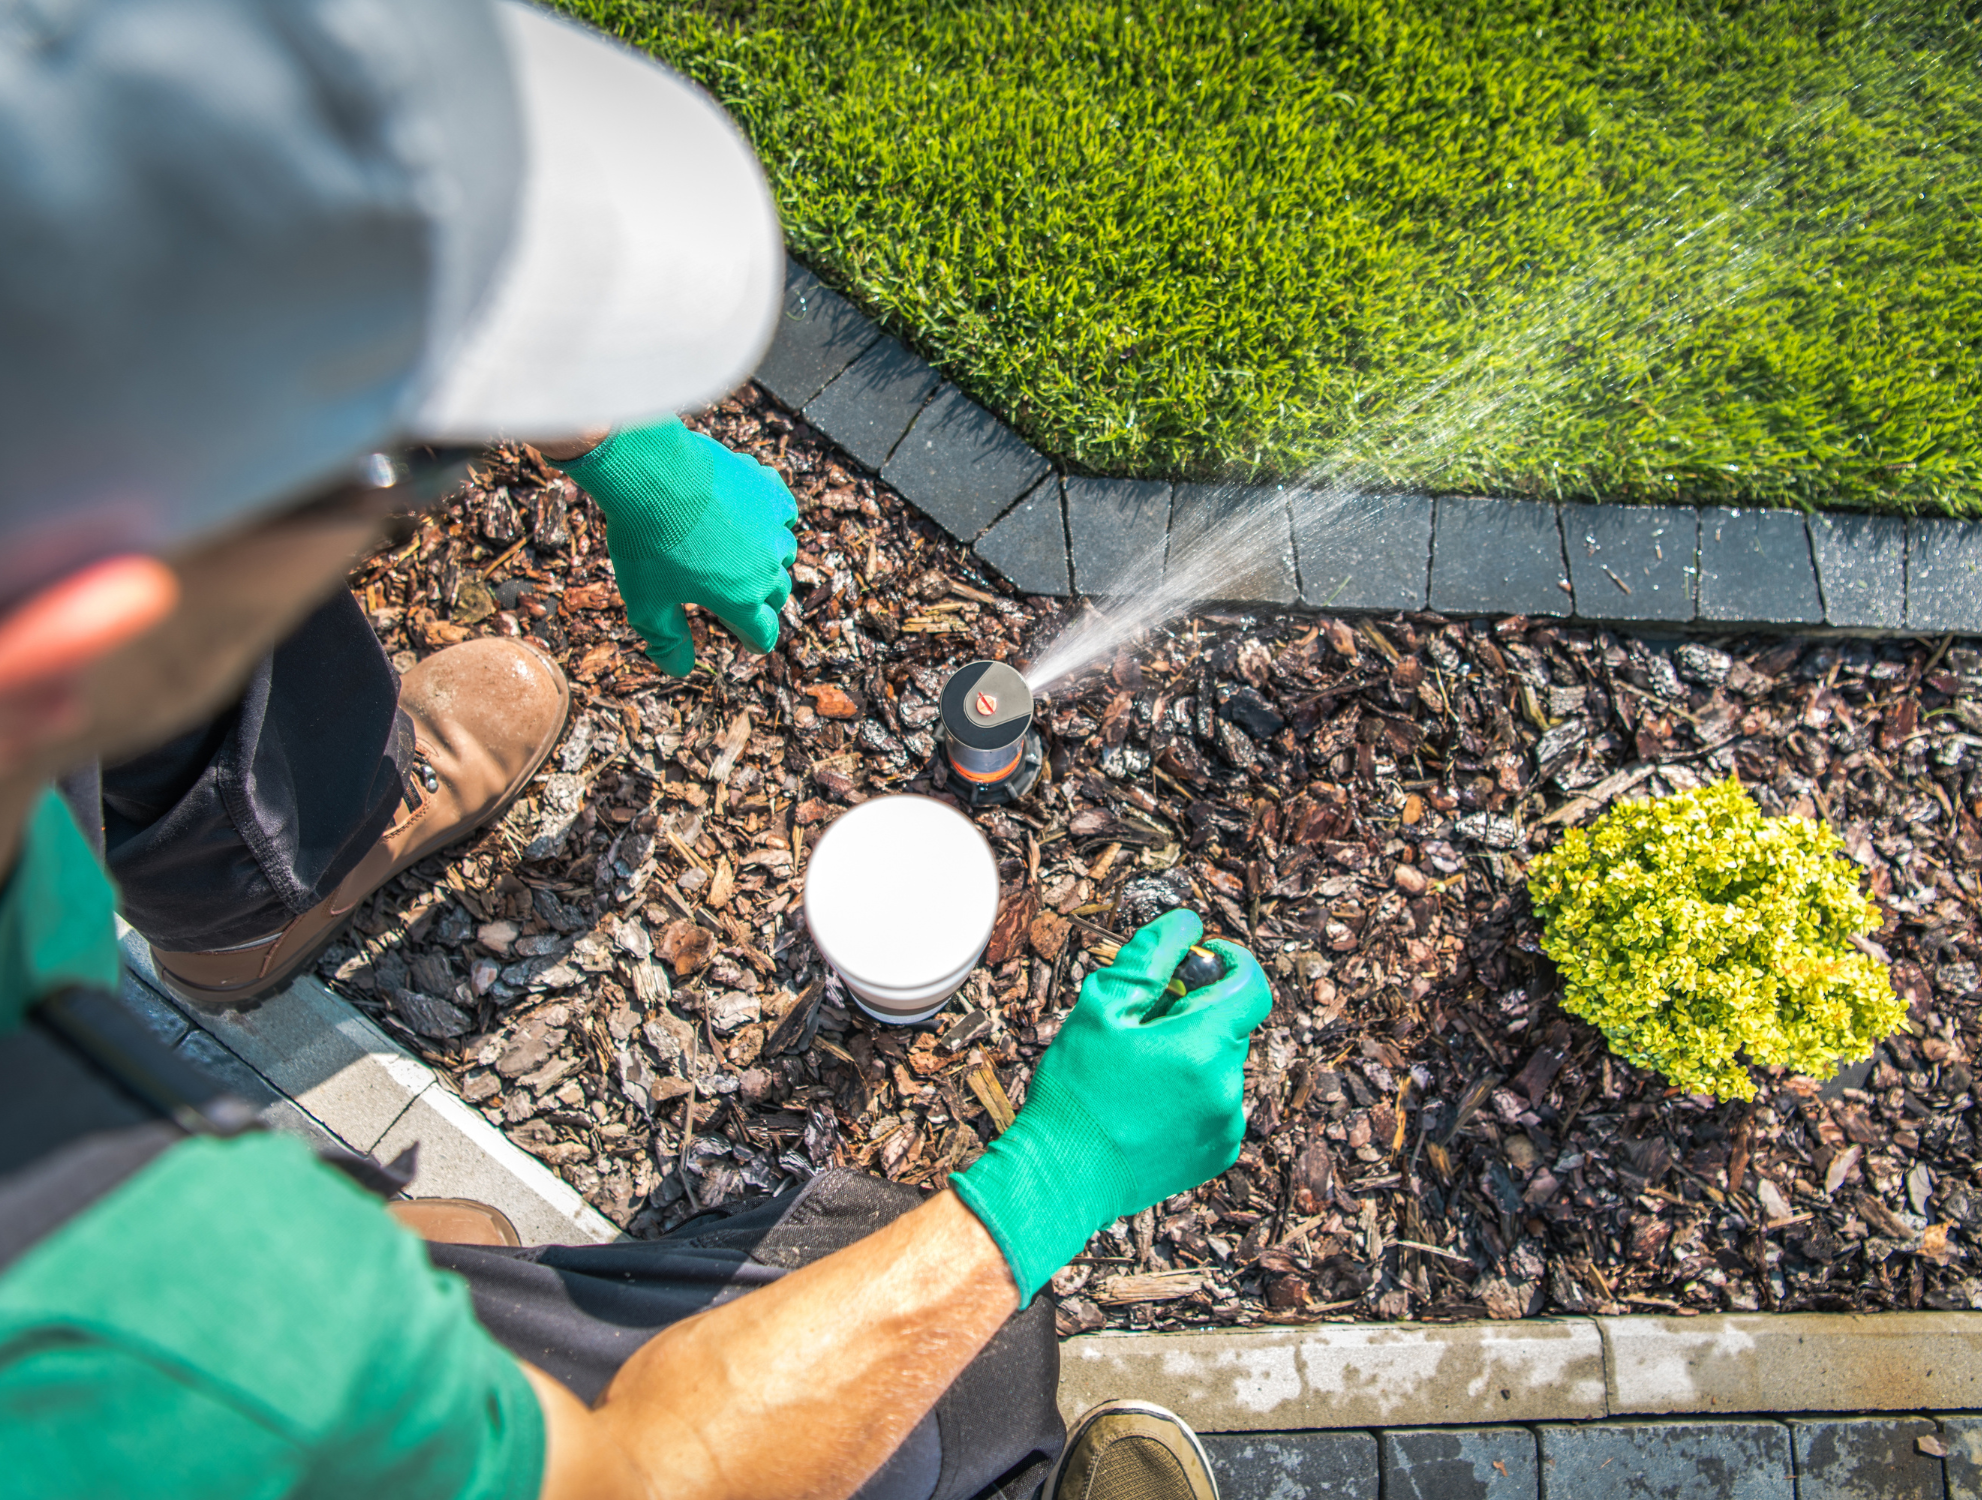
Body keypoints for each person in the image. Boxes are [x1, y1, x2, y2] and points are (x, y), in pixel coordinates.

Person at [0, 3, 1275, 1498]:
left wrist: (611, 437)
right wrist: (1051, 1186)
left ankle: (260, 888)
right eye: (388, 481)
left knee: (457, 1250)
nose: (415, 494)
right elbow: (630, 1478)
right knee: (963, 1385)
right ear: (80, 628)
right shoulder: (161, 1326)